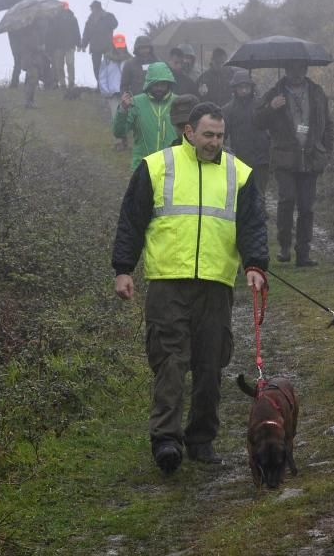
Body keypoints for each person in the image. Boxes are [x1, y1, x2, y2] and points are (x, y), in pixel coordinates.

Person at [112, 102, 268, 473]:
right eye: (208, 134)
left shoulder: (239, 174)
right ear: (189, 132)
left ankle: (201, 439)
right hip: (168, 281)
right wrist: (123, 269)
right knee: (170, 360)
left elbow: (252, 225)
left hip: (215, 284)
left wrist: (255, 265)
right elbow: (131, 221)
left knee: (210, 364)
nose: (214, 142)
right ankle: (165, 439)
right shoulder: (156, 166)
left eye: (219, 136)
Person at [256, 60, 334, 267]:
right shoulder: (274, 93)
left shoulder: (317, 92)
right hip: (284, 158)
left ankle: (303, 254)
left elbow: (328, 123)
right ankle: (284, 247)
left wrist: (327, 152)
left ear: (306, 70)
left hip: (310, 157)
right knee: (286, 201)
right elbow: (257, 121)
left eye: (301, 68)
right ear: (286, 70)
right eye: (293, 68)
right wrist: (271, 108)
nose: (297, 72)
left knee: (307, 208)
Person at [113, 62, 178, 171]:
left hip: (172, 168)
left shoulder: (178, 103)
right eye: (155, 84)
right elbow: (119, 132)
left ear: (169, 84)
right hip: (142, 168)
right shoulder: (136, 102)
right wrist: (123, 110)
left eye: (163, 84)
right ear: (149, 84)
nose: (159, 88)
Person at [222, 69, 270, 199]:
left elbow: (271, 127)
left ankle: (260, 218)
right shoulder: (228, 110)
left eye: (246, 86)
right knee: (242, 197)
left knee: (260, 195)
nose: (244, 90)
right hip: (239, 159)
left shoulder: (261, 105)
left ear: (251, 87)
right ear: (235, 89)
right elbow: (222, 134)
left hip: (261, 159)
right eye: (240, 87)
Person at [99, 34, 132, 149]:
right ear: (113, 45)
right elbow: (102, 77)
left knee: (127, 117)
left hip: (127, 93)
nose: (120, 48)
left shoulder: (130, 59)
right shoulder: (107, 60)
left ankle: (125, 140)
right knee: (116, 117)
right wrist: (106, 92)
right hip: (112, 94)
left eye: (121, 45)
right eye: (117, 45)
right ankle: (118, 142)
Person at [81, 0, 119, 85]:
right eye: (91, 8)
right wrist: (83, 44)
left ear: (98, 7)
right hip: (95, 46)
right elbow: (86, 32)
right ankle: (100, 84)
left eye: (93, 7)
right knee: (96, 67)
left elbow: (115, 25)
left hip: (107, 45)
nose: (92, 9)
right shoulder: (90, 19)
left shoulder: (108, 16)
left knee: (108, 66)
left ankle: (109, 84)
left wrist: (108, 17)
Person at [46, 1, 82, 91]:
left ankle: (71, 83)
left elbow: (76, 32)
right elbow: (50, 34)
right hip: (58, 47)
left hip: (69, 46)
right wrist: (50, 47)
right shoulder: (54, 19)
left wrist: (79, 44)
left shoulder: (72, 18)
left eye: (65, 7)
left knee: (69, 64)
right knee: (59, 66)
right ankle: (62, 84)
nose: (64, 8)